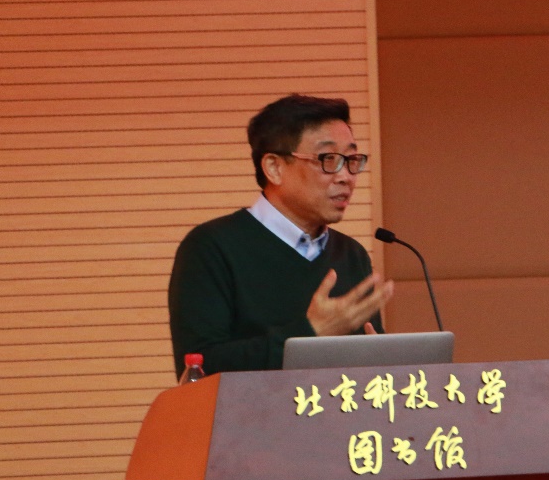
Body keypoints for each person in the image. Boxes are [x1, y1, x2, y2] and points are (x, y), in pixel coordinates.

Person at [167, 94, 392, 376]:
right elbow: (199, 368)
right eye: (329, 159)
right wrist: (310, 333)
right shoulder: (210, 247)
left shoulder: (351, 253)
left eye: (351, 160)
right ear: (274, 168)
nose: (346, 176)